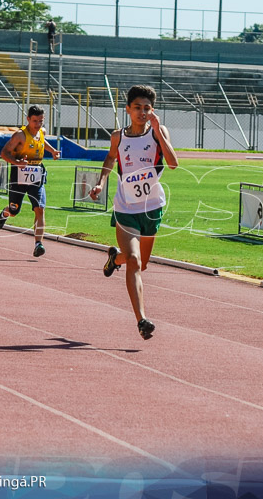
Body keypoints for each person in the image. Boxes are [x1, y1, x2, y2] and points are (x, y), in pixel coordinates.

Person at [89, 85, 178, 340]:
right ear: (127, 109)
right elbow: (110, 158)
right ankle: (142, 320)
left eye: (146, 108)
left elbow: (173, 164)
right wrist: (101, 183)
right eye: (137, 107)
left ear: (153, 111)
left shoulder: (159, 133)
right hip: (125, 207)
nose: (142, 112)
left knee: (142, 263)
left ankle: (114, 259)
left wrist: (160, 134)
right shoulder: (118, 136)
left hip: (151, 208)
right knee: (135, 262)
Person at [0, 105, 61, 257]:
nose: (38, 125)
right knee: (14, 211)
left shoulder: (42, 132)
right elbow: (4, 153)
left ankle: (38, 244)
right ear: (28, 119)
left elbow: (43, 143)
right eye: (35, 121)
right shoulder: (20, 136)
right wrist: (18, 163)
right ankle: (5, 213)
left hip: (36, 175)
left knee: (40, 208)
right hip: (18, 176)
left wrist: (52, 152)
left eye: (41, 121)